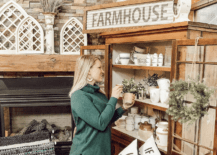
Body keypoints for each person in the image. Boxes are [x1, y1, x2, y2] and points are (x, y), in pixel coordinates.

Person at [69, 55, 134, 155]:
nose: (102, 71)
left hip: (101, 150)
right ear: (88, 70)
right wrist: (113, 98)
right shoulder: (79, 96)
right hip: (86, 151)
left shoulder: (99, 93)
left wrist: (123, 108)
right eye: (99, 68)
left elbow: (106, 119)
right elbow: (101, 124)